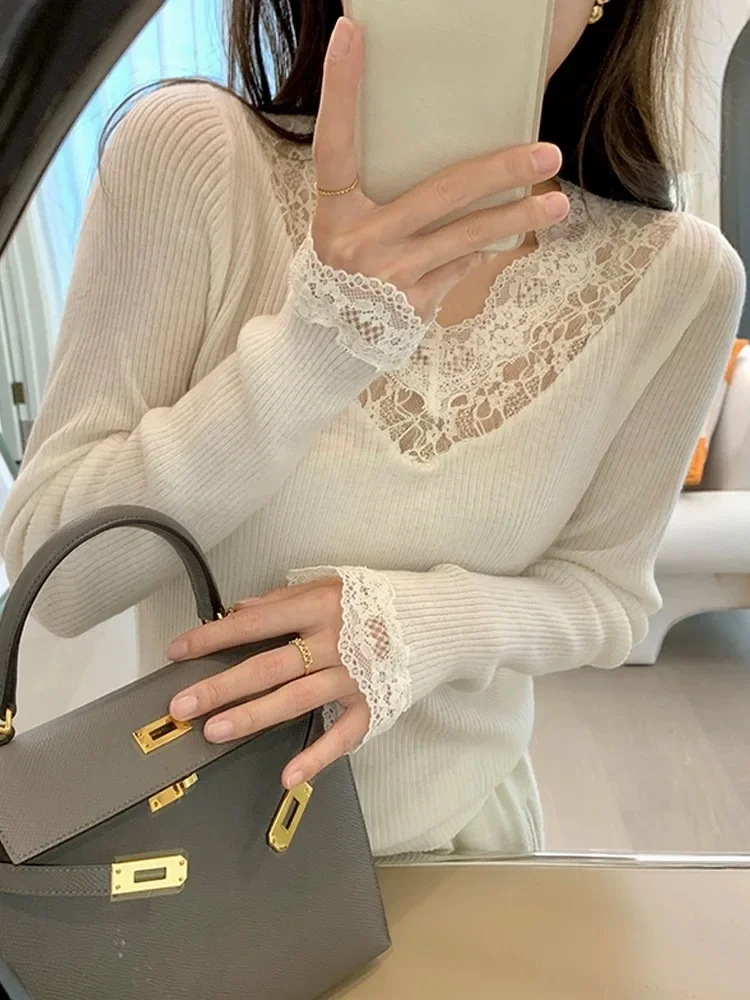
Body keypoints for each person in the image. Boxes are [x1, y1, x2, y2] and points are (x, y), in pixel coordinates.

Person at [0, 0, 745, 858]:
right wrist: (317, 345)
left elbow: (606, 595)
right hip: (200, 868)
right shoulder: (194, 156)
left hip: (472, 855)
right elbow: (60, 581)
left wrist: (414, 628)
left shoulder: (680, 277)